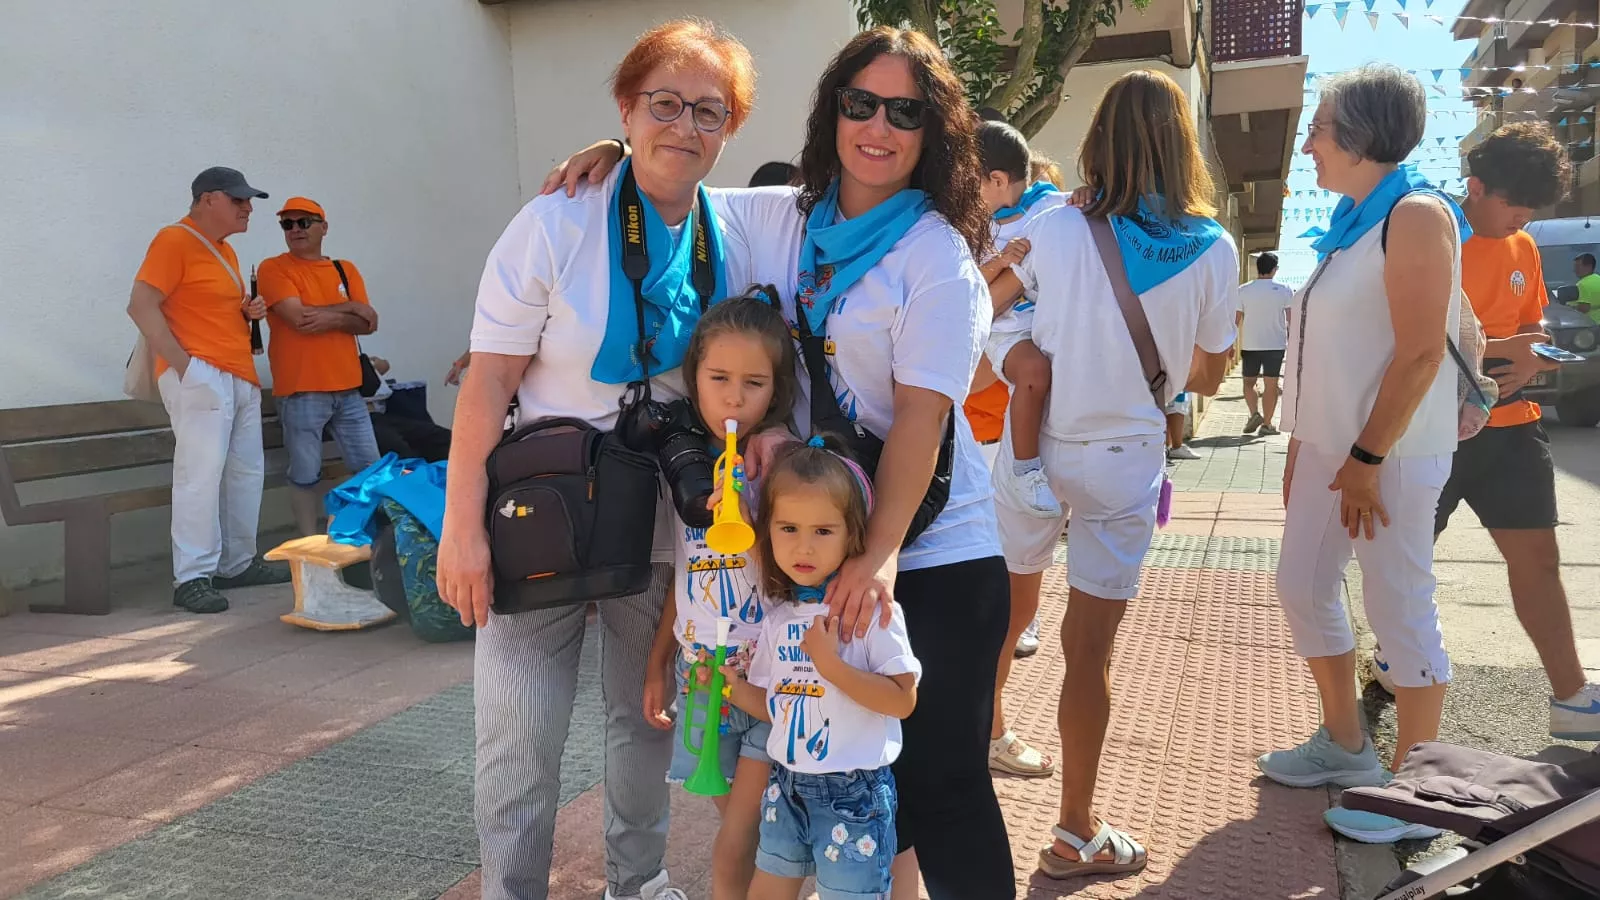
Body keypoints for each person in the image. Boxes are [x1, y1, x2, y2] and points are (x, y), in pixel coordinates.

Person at [545, 27, 1016, 899]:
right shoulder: (786, 216)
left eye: (905, 112)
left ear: (935, 132)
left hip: (932, 551)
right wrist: (620, 147)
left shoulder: (936, 257)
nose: (879, 126)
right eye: (860, 103)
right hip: (813, 546)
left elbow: (922, 420)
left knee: (943, 786)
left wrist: (878, 560)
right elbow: (674, 182)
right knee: (860, 780)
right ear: (833, 111)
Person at [436, 21, 760, 900]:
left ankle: (637, 880)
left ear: (729, 128)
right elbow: (487, 381)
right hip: (541, 510)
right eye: (664, 104)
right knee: (519, 734)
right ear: (625, 108)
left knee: (644, 716)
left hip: (656, 511)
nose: (685, 127)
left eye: (709, 111)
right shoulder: (555, 223)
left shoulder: (734, 228)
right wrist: (460, 528)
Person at [987, 68, 1236, 879]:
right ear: (1182, 144)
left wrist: (1025, 348)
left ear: (1098, 140)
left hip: (1038, 441)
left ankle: (984, 744)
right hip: (1126, 459)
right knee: (1087, 651)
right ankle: (1074, 830)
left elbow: (984, 305)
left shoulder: (1057, 225)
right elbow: (1205, 375)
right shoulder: (1214, 246)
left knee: (1002, 614)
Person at [1259, 65, 1467, 845]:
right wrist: (1305, 444)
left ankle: (1420, 797)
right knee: (1301, 585)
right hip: (1334, 452)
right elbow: (1331, 352)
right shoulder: (1353, 223)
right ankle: (1347, 745)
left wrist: (1367, 459)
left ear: (1360, 134)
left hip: (1391, 456)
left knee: (1399, 608)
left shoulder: (1413, 215)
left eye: (1318, 128)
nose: (1307, 144)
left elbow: (1420, 354)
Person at [1394, 123, 1599, 740]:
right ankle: (1392, 657)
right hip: (1430, 430)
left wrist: (1533, 358)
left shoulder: (1525, 246)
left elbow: (1535, 326)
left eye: (1531, 212)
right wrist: (1499, 350)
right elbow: (1409, 338)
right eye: (1514, 207)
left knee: (1539, 562)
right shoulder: (1429, 234)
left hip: (1512, 429)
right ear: (1476, 187)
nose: (1521, 220)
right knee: (1404, 564)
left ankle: (1572, 697)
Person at [642, 294, 799, 898]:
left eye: (754, 383)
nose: (735, 399)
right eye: (719, 379)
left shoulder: (784, 471)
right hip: (701, 672)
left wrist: (750, 520)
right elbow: (686, 582)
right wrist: (659, 662)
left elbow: (799, 579)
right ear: (694, 380)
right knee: (741, 823)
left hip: (764, 672)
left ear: (776, 391)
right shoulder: (685, 472)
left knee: (742, 833)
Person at [721, 438, 920, 900]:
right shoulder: (779, 618)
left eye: (823, 531)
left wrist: (831, 666)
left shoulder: (869, 611)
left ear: (853, 535)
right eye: (788, 528)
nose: (803, 546)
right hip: (785, 786)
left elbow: (902, 701)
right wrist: (730, 687)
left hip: (855, 794)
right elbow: (779, 706)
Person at [126, 166, 291, 614]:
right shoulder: (173, 240)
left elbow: (201, 307)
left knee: (244, 473)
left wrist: (246, 311)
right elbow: (141, 305)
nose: (248, 208)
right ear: (207, 200)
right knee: (199, 475)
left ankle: (237, 563)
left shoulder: (225, 251)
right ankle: (192, 576)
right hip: (202, 373)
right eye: (238, 200)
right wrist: (186, 368)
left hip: (238, 374)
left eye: (249, 200)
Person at [973, 118, 1063, 778]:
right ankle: (986, 728)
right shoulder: (976, 233)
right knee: (1001, 606)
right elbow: (974, 315)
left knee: (1012, 605)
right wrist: (1007, 267)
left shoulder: (1056, 218)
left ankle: (985, 727)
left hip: (1004, 440)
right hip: (977, 446)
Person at [257, 197, 382, 535]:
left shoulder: (344, 269)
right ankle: (308, 546)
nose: (295, 229)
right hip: (301, 389)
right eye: (288, 224)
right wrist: (349, 308)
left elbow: (368, 324)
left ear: (323, 227)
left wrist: (332, 316)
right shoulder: (274, 268)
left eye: (304, 222)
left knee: (369, 470)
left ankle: (367, 539)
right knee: (305, 474)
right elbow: (300, 320)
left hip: (349, 389)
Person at [1235, 251, 1294, 435]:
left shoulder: (1243, 290)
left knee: (1248, 382)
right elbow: (1291, 320)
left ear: (1258, 268)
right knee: (1271, 385)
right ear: (1274, 269)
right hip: (1275, 345)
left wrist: (1229, 345)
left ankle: (1254, 414)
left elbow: (1236, 320)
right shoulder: (1285, 289)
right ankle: (1267, 425)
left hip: (1250, 345)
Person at [1573, 252, 1600, 322]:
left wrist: (1570, 309)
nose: (1575, 270)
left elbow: (1584, 308)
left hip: (1589, 324)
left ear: (1589, 267)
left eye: (1578, 267)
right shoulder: (1598, 278)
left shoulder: (1582, 284)